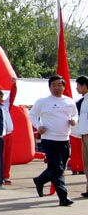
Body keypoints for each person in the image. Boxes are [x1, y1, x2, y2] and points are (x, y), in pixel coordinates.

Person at [30, 75, 78, 206]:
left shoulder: (69, 101)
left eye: (59, 85)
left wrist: (74, 120)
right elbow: (32, 114)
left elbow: (75, 114)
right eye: (53, 85)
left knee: (58, 169)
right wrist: (38, 126)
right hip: (49, 139)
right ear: (49, 87)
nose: (56, 88)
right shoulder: (43, 101)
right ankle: (63, 197)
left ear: (64, 87)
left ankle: (40, 180)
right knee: (57, 169)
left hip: (64, 139)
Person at [73, 76, 88, 197]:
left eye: (78, 85)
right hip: (83, 134)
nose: (76, 88)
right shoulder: (81, 101)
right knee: (86, 163)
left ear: (84, 85)